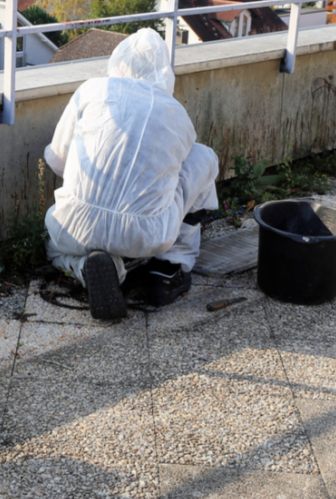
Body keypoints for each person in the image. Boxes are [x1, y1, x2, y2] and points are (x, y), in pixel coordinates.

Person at [43, 28, 219, 319]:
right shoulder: (178, 116)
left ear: (119, 64)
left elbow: (57, 161)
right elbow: (175, 175)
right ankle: (170, 266)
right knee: (204, 156)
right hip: (148, 236)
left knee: (53, 246)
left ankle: (88, 269)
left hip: (72, 227)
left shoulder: (91, 89)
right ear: (164, 73)